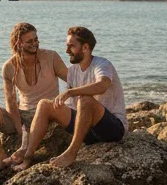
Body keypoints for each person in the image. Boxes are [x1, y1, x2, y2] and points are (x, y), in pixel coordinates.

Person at [15, 25, 126, 171]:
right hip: (87, 131)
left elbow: (102, 85)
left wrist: (71, 92)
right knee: (45, 105)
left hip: (111, 129)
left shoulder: (102, 64)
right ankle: (28, 156)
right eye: (67, 46)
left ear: (85, 47)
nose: (67, 51)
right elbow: (72, 109)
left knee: (85, 100)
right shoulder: (73, 71)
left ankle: (71, 152)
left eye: (71, 47)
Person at [0, 23, 68, 175]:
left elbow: (71, 79)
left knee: (38, 113)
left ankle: (25, 154)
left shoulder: (51, 57)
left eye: (36, 39)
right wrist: (19, 128)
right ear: (19, 43)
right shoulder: (9, 67)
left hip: (46, 112)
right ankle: (1, 158)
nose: (35, 44)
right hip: (23, 114)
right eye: (29, 41)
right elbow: (11, 101)